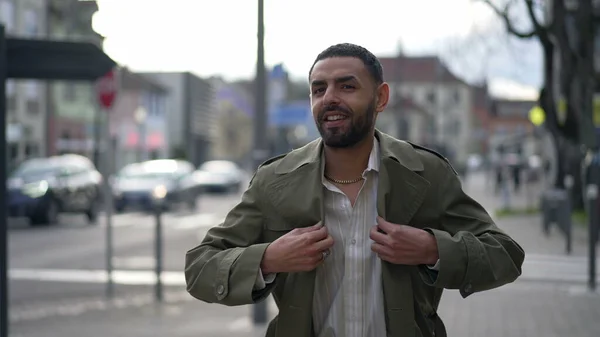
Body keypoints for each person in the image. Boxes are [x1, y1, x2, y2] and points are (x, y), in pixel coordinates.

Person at [185, 43, 525, 337]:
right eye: (319, 90)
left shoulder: (426, 174)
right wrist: (269, 258)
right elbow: (200, 266)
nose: (329, 98)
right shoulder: (274, 180)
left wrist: (432, 249)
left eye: (347, 87)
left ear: (380, 97)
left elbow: (504, 254)